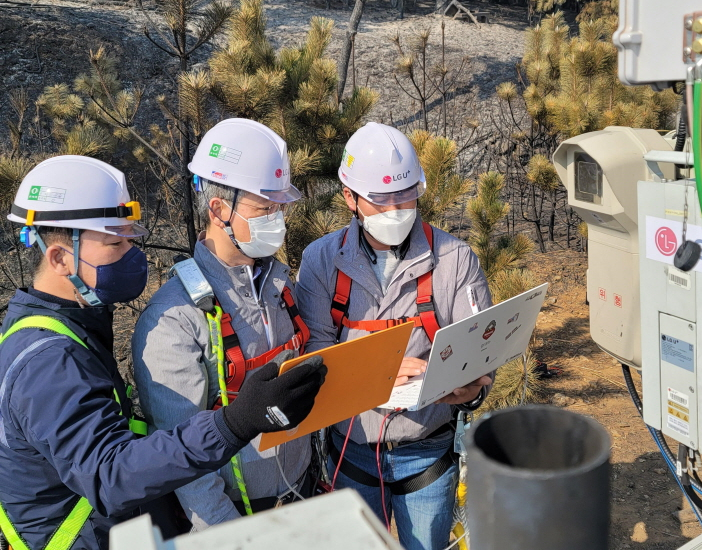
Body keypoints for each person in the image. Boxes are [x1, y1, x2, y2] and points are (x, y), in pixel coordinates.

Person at [0, 155, 326, 550]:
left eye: (129, 238)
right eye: (115, 242)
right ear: (59, 257)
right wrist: (233, 424)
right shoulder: (50, 361)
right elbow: (111, 477)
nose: (131, 253)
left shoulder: (71, 331)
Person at [296, 122, 493, 550]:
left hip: (426, 451)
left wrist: (471, 388)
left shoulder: (453, 260)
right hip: (351, 453)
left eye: (406, 194)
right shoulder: (322, 261)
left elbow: (481, 352)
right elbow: (313, 352)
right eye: (380, 199)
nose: (396, 209)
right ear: (349, 197)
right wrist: (375, 372)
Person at [132, 118, 315, 530]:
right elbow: (185, 464)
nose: (278, 218)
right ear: (219, 209)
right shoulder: (175, 319)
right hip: (238, 518)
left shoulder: (280, 285)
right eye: (265, 208)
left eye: (280, 206)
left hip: (302, 495)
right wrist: (232, 538)